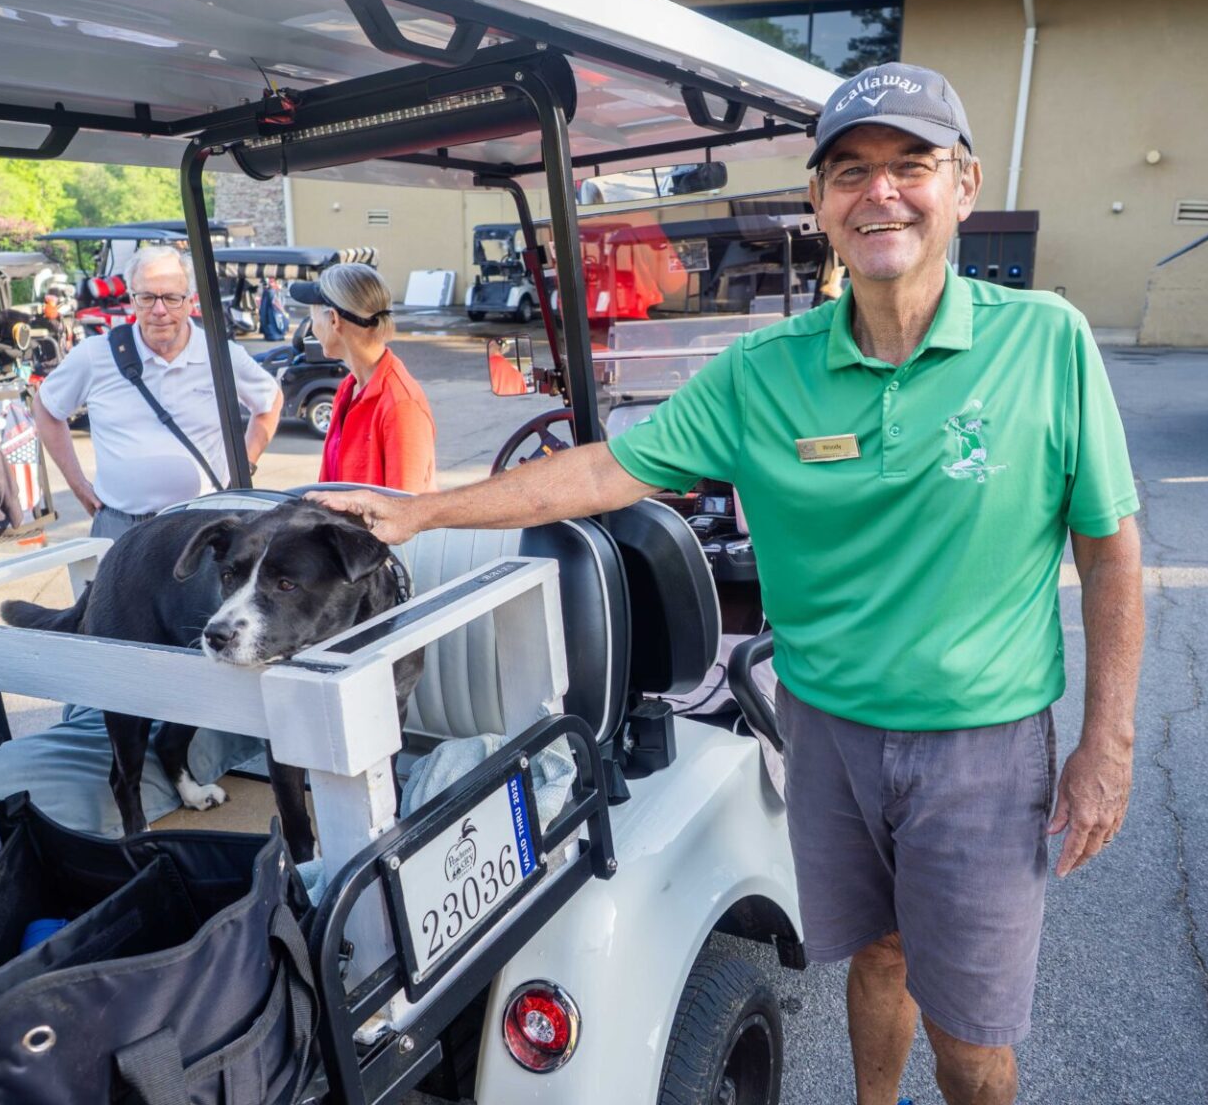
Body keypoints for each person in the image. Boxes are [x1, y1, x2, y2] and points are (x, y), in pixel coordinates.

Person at [314, 61, 1143, 1105]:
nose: (881, 192)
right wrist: (422, 511)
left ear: (964, 185)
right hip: (826, 731)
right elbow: (607, 470)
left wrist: (1108, 743)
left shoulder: (1046, 341)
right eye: (851, 172)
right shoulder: (765, 371)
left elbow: (1110, 551)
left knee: (973, 1042)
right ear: (819, 201)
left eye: (911, 164)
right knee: (877, 951)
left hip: (980, 746)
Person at [32, 245, 282, 541]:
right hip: (121, 527)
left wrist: (244, 468)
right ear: (132, 300)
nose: (159, 310)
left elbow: (269, 401)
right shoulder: (95, 355)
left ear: (190, 301)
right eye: (147, 297)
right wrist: (77, 484)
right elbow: (46, 408)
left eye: (172, 298)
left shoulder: (219, 354)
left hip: (201, 526)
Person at [289, 263, 436, 493]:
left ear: (334, 319)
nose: (312, 327)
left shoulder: (401, 405)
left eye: (312, 316)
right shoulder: (348, 389)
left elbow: (406, 509)